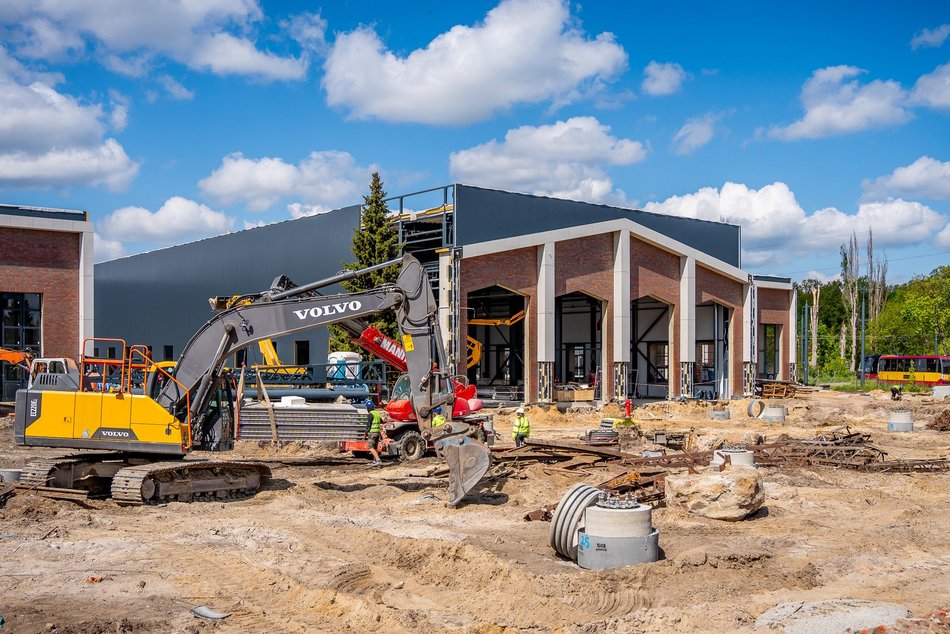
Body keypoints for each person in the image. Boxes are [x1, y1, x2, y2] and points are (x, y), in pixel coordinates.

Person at [365, 398, 383, 466]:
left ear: (368, 408)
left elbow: (369, 425)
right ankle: (374, 460)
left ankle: (378, 460)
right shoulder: (377, 413)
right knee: (375, 447)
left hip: (372, 433)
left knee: (370, 447)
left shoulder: (370, 414)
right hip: (378, 433)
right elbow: (381, 421)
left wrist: (366, 432)